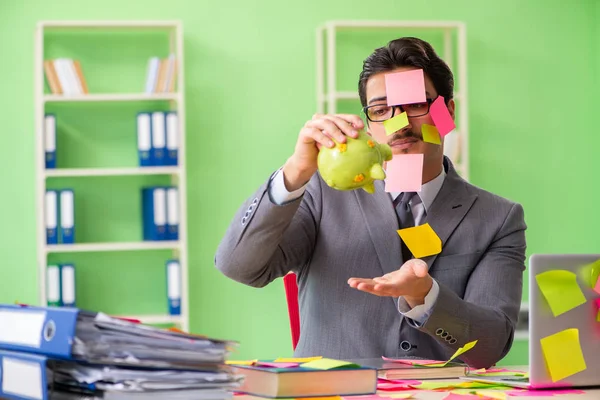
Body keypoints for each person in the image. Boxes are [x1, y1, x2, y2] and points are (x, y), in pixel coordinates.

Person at [214, 37, 527, 369]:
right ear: (369, 122)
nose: (401, 123)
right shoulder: (321, 194)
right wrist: (296, 170)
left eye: (416, 105)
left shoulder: (497, 217)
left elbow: (490, 346)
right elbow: (239, 267)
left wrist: (427, 297)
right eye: (381, 110)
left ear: (446, 111)